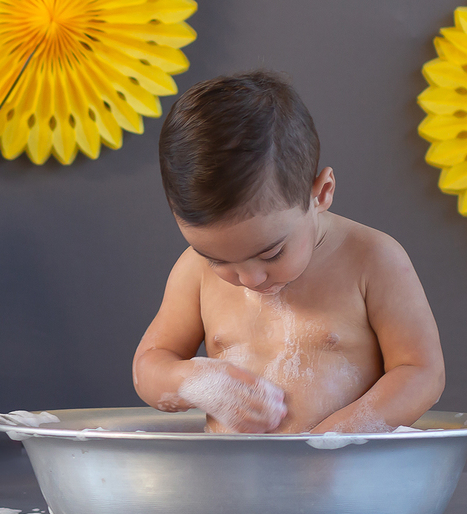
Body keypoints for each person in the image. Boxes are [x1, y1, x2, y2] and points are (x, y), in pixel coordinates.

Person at [133, 72, 445, 434]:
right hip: (233, 482)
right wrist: (195, 381)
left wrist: (345, 432)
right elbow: (148, 367)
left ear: (321, 193)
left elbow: (422, 372)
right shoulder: (193, 271)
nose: (249, 279)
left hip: (345, 479)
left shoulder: (372, 259)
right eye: (217, 259)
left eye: (271, 253)